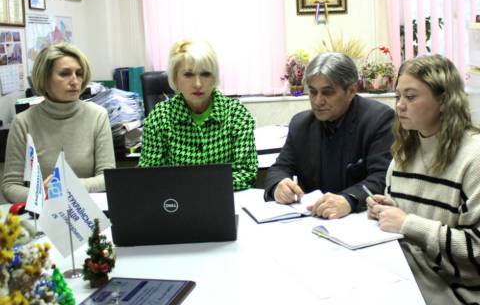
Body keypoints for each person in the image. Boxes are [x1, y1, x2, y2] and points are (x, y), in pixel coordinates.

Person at [367, 55, 480, 305]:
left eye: (411, 96)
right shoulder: (404, 154)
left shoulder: (474, 158)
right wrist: (387, 209)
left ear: (443, 101)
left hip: (459, 299)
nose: (400, 105)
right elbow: (410, 213)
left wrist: (407, 224)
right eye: (398, 96)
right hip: (413, 278)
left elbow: (477, 250)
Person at [264, 52, 395, 218]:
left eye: (328, 93)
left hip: (361, 219)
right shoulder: (301, 124)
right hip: (315, 218)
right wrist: (278, 186)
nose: (318, 101)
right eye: (313, 92)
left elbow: (382, 177)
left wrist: (348, 199)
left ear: (351, 90)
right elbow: (280, 168)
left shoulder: (378, 119)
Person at [1, 43, 115, 204]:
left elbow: (107, 177)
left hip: (88, 210)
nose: (75, 81)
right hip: (43, 212)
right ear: (45, 79)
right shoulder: (23, 122)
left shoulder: (97, 116)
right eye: (65, 74)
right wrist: (43, 195)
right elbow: (10, 187)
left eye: (79, 74)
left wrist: (70, 186)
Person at [138, 39, 258, 191]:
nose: (198, 84)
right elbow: (148, 176)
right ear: (175, 78)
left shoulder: (235, 113)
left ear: (214, 78)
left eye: (205, 74)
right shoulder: (160, 117)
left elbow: (247, 173)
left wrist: (196, 185)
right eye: (188, 74)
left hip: (225, 200)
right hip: (178, 202)